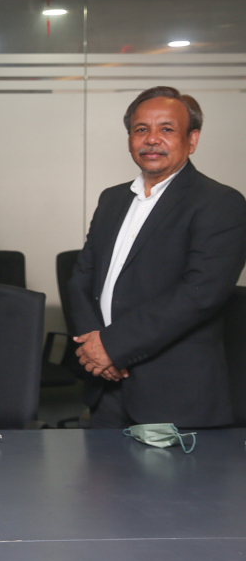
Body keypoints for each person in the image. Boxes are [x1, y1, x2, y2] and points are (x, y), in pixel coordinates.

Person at [68, 86, 246, 429]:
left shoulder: (220, 202)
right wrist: (95, 347)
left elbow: (200, 294)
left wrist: (112, 346)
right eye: (141, 129)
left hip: (174, 394)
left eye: (167, 129)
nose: (151, 139)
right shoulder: (112, 199)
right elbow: (81, 279)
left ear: (192, 140)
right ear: (130, 139)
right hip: (105, 387)